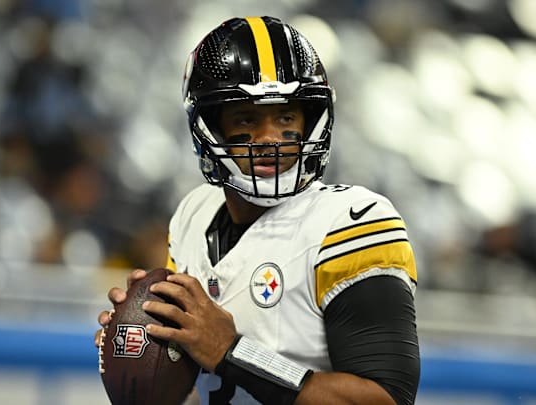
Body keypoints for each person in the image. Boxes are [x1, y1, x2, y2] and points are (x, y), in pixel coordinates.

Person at [95, 16, 420, 405]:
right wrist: (147, 352)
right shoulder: (193, 215)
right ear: (210, 128)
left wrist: (234, 352)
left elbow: (387, 401)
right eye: (246, 118)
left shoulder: (352, 222)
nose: (269, 139)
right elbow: (210, 388)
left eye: (285, 117)